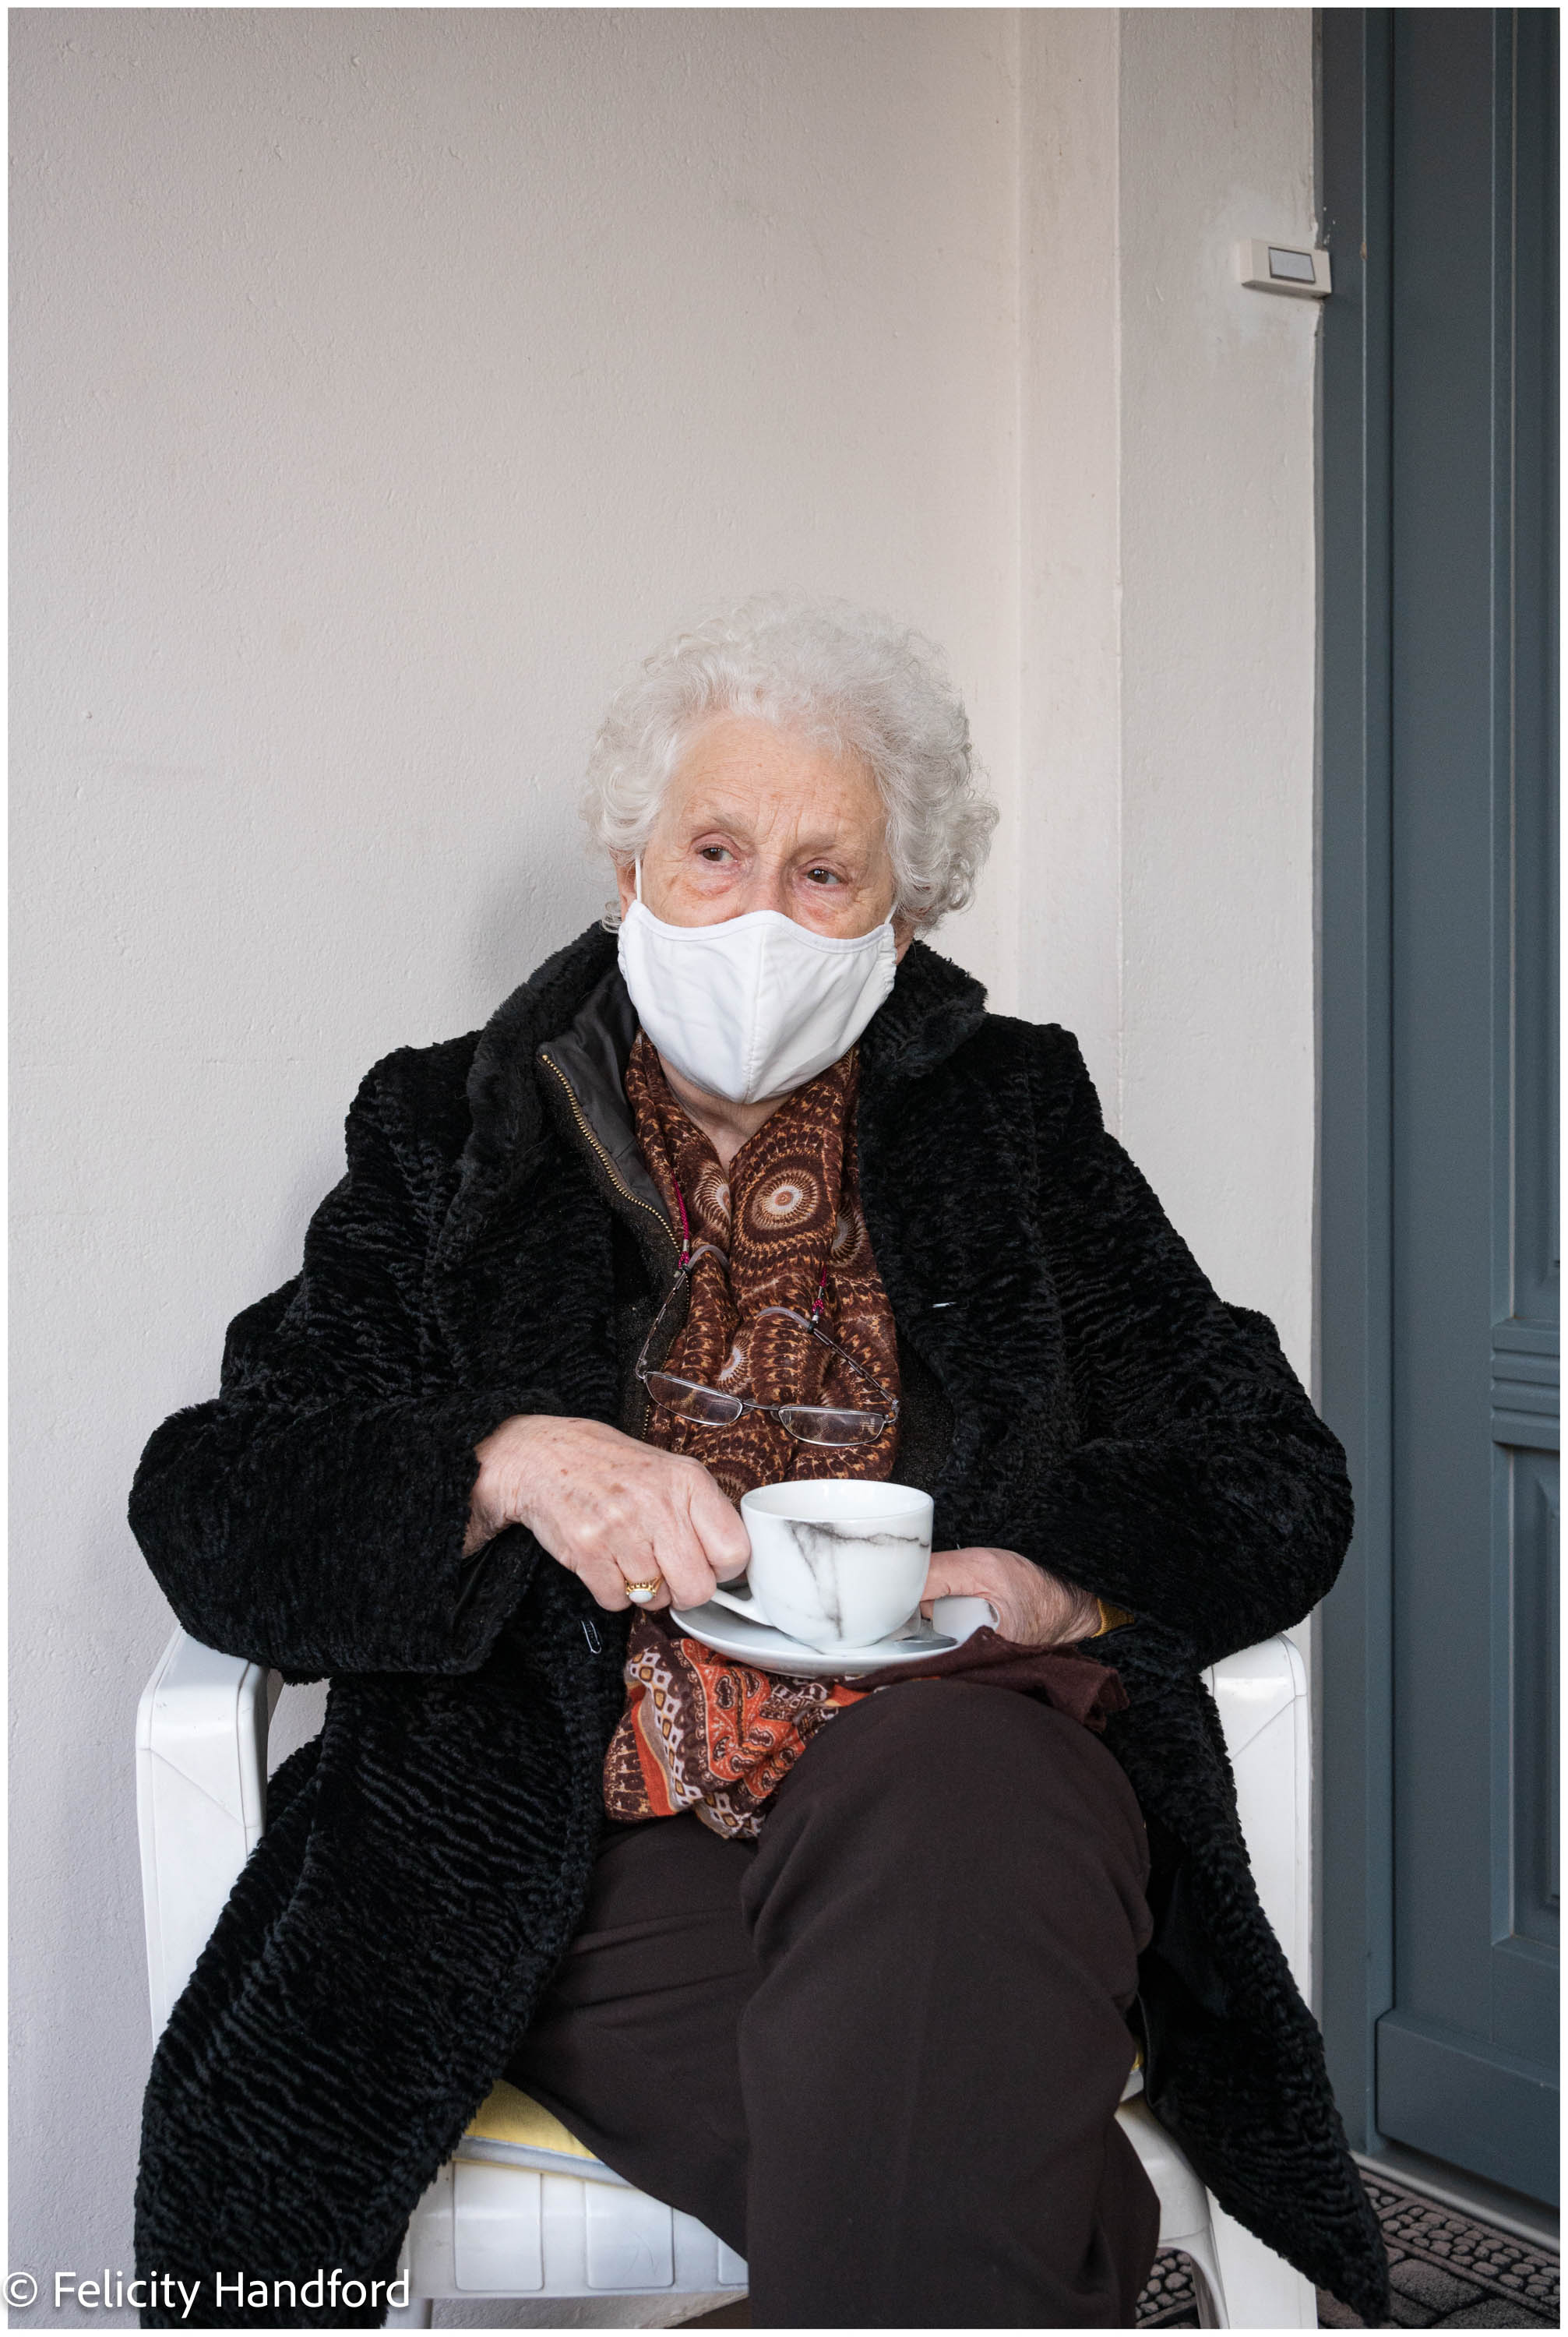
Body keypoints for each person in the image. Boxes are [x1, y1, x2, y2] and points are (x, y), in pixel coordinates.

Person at [129, 597, 1390, 2329]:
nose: (757, 911)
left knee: (967, 1808)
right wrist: (500, 1461)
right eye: (713, 852)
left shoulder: (1012, 1120)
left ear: (901, 914)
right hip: (580, 1855)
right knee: (987, 2188)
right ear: (626, 873)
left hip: (959, 1791)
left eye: (823, 873)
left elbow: (1267, 1469)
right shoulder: (447, 1131)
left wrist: (1045, 1575)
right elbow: (215, 1502)